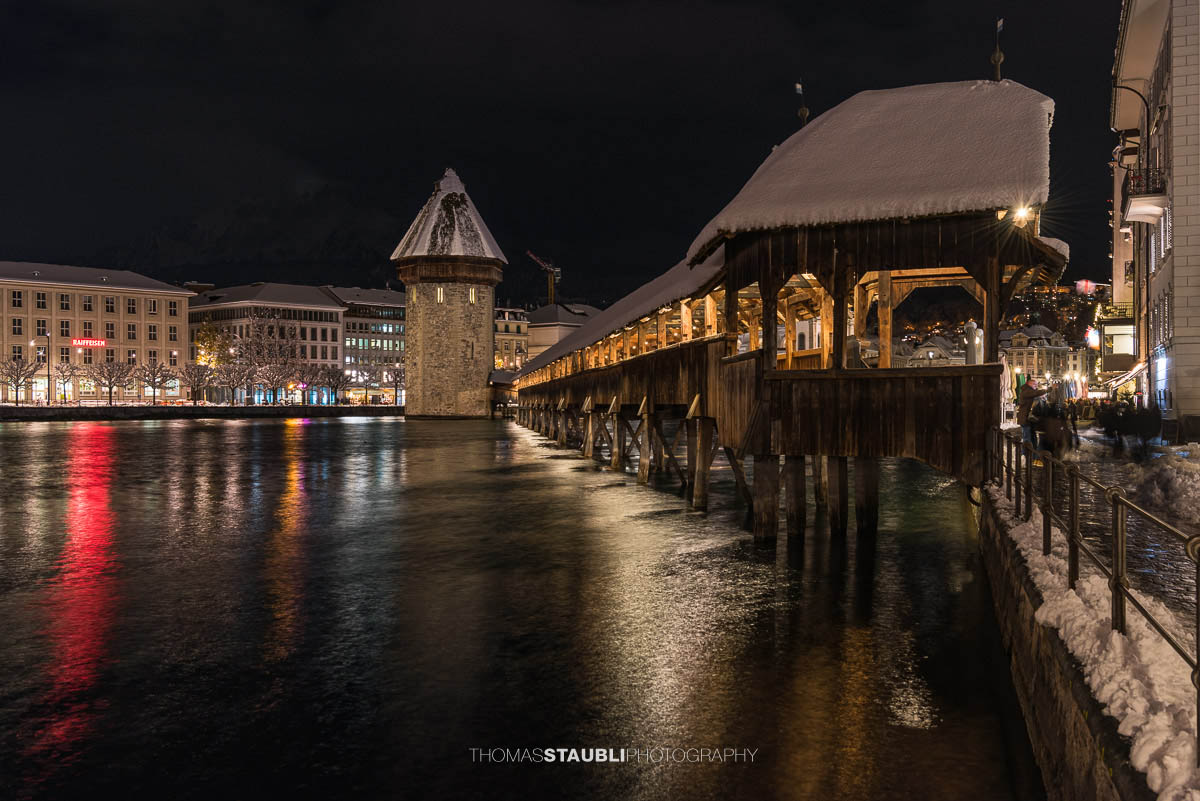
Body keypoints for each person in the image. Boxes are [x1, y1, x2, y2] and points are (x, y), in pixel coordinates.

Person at [1017, 379, 1048, 446]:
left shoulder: (1029, 391)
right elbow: (1035, 393)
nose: (1036, 386)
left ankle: (1033, 453)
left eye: (1037, 385)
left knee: (1032, 437)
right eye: (1035, 384)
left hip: (1028, 419)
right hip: (1025, 418)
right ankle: (1025, 453)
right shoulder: (1026, 391)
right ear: (1029, 384)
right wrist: (1046, 390)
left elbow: (1036, 394)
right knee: (1027, 437)